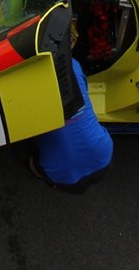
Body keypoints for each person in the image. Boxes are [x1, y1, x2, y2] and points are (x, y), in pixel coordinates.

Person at [28, 57, 114, 193]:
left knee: (36, 162)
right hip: (103, 155)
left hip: (63, 172)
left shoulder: (27, 86)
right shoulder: (73, 64)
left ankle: (38, 171)